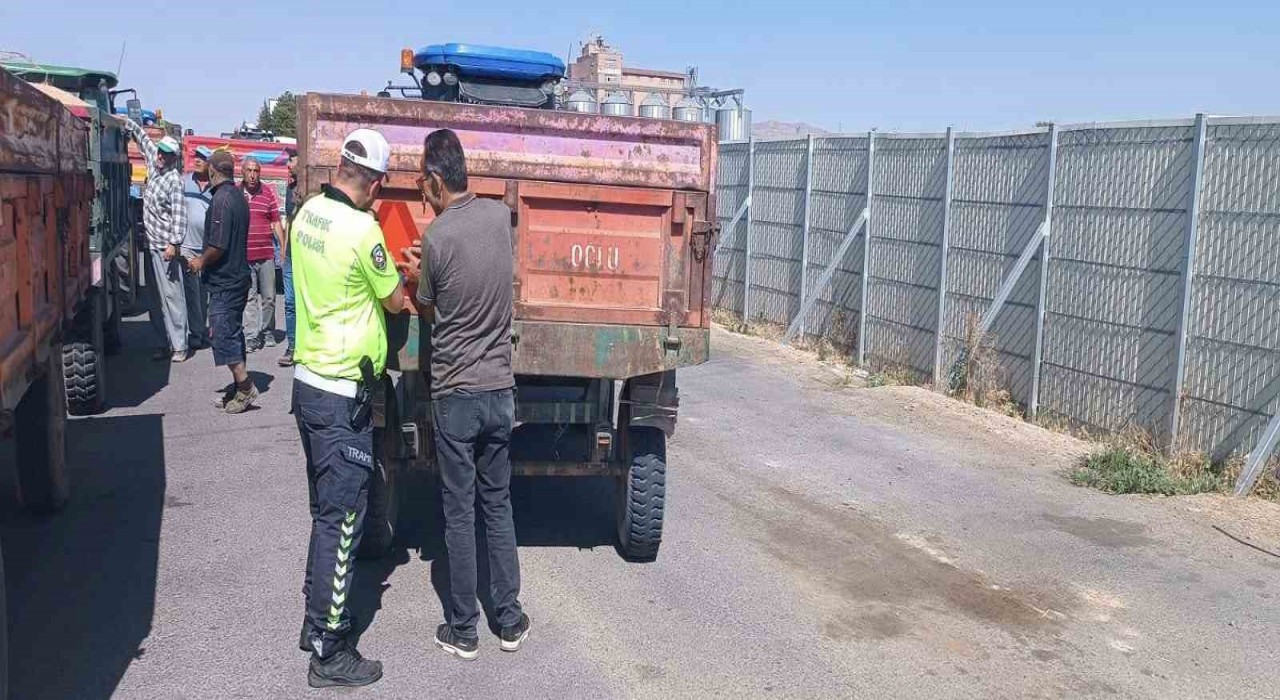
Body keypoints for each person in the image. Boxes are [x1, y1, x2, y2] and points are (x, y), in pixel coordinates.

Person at [401, 128, 530, 661]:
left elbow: (431, 310)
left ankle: (463, 628)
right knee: (497, 503)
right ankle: (510, 619)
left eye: (421, 183)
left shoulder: (436, 238)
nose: (421, 191)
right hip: (500, 389)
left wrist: (415, 276)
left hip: (455, 392)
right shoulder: (500, 218)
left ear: (435, 179)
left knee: (459, 511)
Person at [289, 128, 405, 688]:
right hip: (342, 394)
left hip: (308, 386)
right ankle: (329, 649)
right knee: (344, 521)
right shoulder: (364, 231)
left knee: (325, 513)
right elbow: (395, 299)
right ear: (376, 183)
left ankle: (315, 621)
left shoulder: (306, 215)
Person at [189, 150, 257, 414]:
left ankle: (246, 386)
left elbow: (218, 245)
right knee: (234, 333)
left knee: (222, 335)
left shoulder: (221, 200)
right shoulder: (238, 196)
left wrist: (200, 261)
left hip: (225, 281)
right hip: (237, 277)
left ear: (213, 171)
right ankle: (238, 386)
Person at [122, 119, 190, 362]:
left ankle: (180, 345)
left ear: (173, 158)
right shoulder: (154, 161)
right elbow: (142, 139)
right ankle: (163, 342)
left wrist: (174, 243)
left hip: (164, 247)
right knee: (154, 298)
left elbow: (180, 215)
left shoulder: (174, 180)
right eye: (160, 151)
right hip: (150, 244)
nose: (161, 156)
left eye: (166, 154)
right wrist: (126, 123)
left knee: (172, 296)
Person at [239, 158, 284, 353]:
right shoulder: (236, 193)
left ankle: (267, 331)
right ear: (242, 172)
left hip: (265, 254)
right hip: (244, 256)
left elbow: (275, 222)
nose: (252, 175)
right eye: (249, 170)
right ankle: (250, 336)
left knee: (269, 297)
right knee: (249, 298)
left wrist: (283, 247)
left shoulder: (267, 193)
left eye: (256, 171)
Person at [181, 145, 214, 351]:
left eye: (203, 158)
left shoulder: (215, 187)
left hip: (208, 248)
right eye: (197, 157)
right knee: (192, 293)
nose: (198, 160)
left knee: (205, 294)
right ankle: (195, 334)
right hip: (187, 247)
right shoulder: (184, 182)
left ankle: (201, 331)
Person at [279, 149, 299, 367]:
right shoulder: (290, 188)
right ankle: (292, 346)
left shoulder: (313, 189)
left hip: (307, 253)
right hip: (291, 253)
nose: (288, 164)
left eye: (291, 159)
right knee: (290, 302)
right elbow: (289, 221)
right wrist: (284, 248)